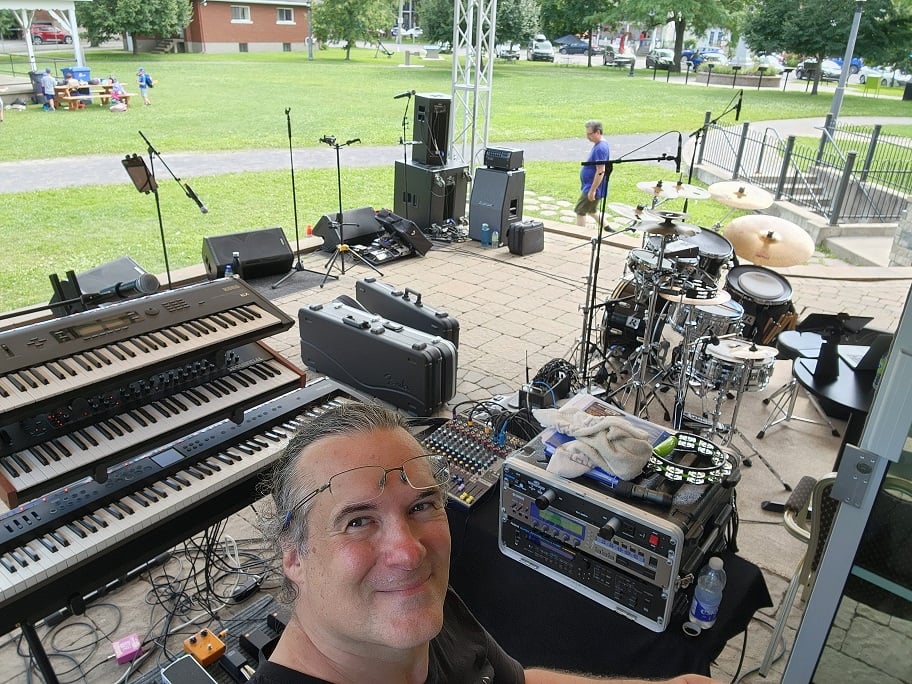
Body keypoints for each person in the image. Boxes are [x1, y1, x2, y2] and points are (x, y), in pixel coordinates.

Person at [252, 402, 718, 684]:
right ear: (293, 554)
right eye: (357, 522)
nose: (410, 553)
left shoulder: (427, 611)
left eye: (420, 507)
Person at [575, 120, 610, 228]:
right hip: (590, 186)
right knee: (591, 210)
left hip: (592, 186)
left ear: (598, 132)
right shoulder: (600, 145)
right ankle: (608, 228)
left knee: (580, 211)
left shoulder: (600, 148)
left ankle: (580, 234)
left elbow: (600, 170)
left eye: (590, 134)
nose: (587, 137)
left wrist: (592, 190)